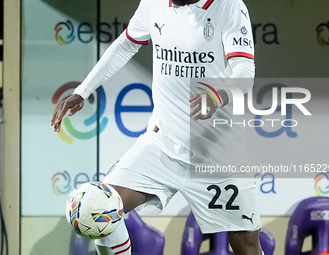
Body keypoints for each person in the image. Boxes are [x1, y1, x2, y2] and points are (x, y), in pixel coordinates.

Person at [51, 0, 264, 254]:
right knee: (98, 208)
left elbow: (244, 69)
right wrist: (82, 91)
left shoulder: (228, 6)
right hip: (161, 146)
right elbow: (124, 45)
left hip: (217, 155)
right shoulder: (153, 3)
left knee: (246, 246)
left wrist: (218, 96)